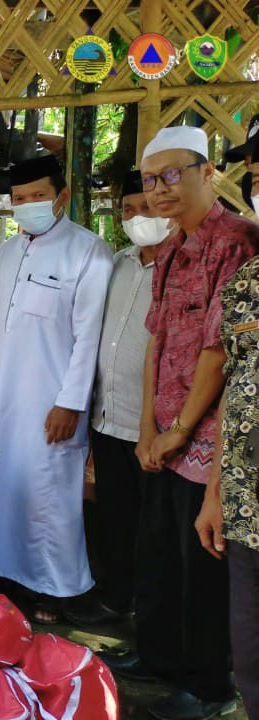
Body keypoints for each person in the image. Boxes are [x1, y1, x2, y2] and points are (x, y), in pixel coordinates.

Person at [104, 126, 259, 720]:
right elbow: (157, 343)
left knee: (204, 566)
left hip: (211, 438)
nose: (161, 189)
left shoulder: (237, 243)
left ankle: (209, 687)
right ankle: (160, 657)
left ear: (208, 171)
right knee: (160, 554)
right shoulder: (170, 248)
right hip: (164, 433)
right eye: (150, 179)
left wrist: (179, 430)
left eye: (174, 174)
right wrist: (148, 429)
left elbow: (220, 352)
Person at [0, 153, 113, 624]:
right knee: (0, 486)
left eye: (37, 197)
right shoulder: (7, 251)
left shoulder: (89, 252)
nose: (27, 207)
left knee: (49, 494)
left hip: (51, 402)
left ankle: (58, 589)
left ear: (61, 197)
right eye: (19, 199)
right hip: (0, 401)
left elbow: (90, 338)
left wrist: (70, 402)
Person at [71, 170, 170, 627]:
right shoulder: (116, 264)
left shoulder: (183, 268)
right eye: (129, 210)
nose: (137, 217)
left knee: (158, 532)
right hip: (107, 417)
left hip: (158, 426)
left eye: (147, 208)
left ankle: (152, 620)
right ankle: (117, 599)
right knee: (116, 517)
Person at [199, 252, 259, 720]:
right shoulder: (247, 281)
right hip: (245, 508)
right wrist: (214, 492)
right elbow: (233, 387)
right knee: (250, 649)